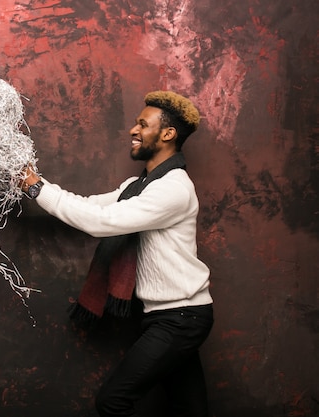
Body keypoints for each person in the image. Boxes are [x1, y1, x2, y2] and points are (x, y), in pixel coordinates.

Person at [21, 91, 214, 417]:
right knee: (189, 409)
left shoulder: (173, 189)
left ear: (167, 134)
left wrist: (36, 188)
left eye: (143, 124)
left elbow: (101, 222)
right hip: (169, 316)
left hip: (181, 318)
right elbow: (90, 205)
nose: (133, 130)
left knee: (112, 401)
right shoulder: (139, 186)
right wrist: (37, 186)